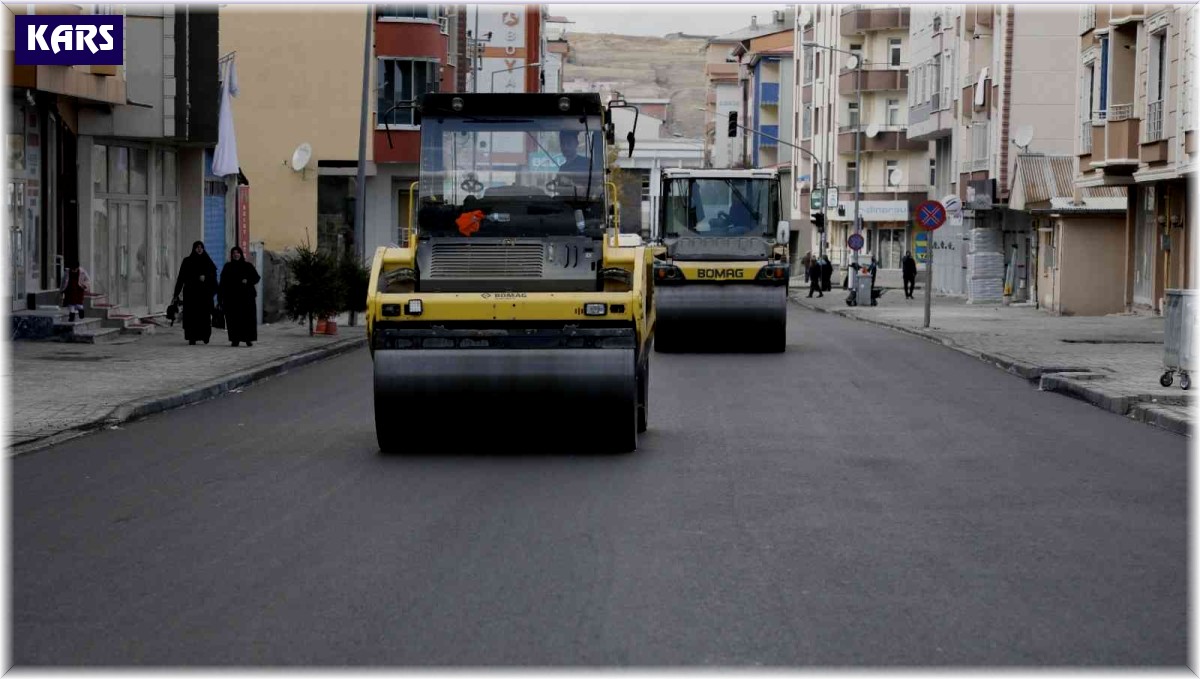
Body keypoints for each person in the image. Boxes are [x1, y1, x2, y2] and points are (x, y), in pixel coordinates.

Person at [172, 240, 218, 345]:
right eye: (197, 247)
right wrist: (176, 293)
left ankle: (205, 336)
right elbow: (181, 278)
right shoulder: (187, 261)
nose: (199, 249)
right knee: (191, 316)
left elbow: (213, 278)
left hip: (204, 295)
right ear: (194, 248)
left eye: (201, 247)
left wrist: (205, 278)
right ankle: (191, 337)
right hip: (191, 294)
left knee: (204, 316)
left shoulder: (208, 261)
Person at [219, 245, 261, 347]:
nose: (236, 255)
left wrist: (248, 280)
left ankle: (248, 339)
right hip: (232, 298)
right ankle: (235, 340)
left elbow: (256, 278)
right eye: (234, 253)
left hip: (246, 298)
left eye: (237, 253)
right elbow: (223, 282)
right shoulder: (227, 266)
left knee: (247, 319)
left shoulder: (248, 266)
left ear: (241, 254)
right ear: (231, 255)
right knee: (233, 319)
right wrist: (220, 298)